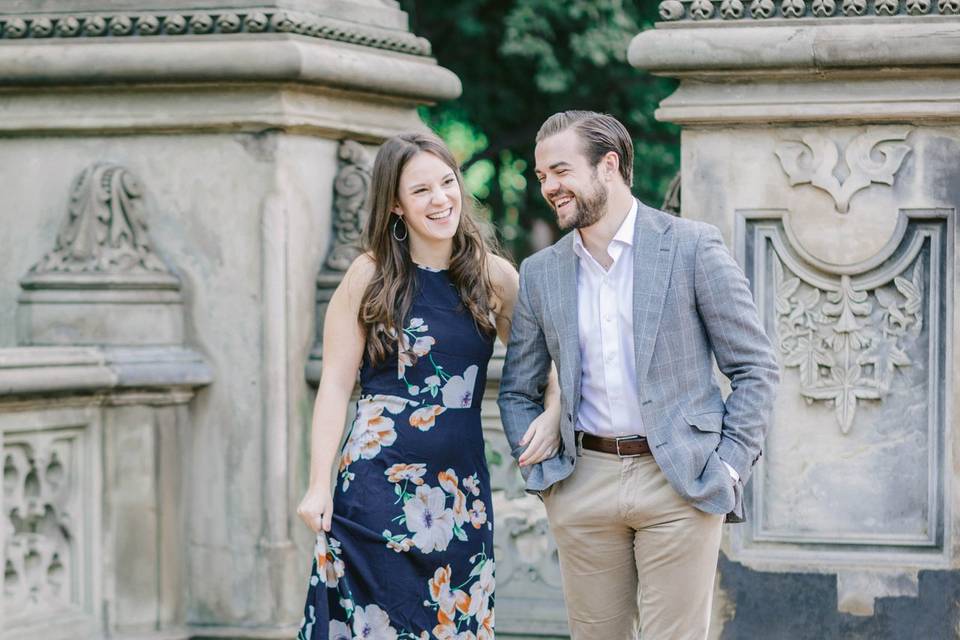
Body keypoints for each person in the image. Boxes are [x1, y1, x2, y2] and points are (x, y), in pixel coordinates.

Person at [498, 111, 779, 640]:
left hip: (680, 480)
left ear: (609, 165)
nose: (549, 187)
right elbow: (517, 388)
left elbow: (755, 367)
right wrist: (546, 481)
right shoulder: (541, 272)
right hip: (583, 482)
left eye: (559, 171)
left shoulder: (692, 246)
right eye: (541, 178)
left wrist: (729, 468)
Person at [295, 132, 560, 640]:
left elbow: (545, 368)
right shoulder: (368, 275)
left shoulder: (495, 277)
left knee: (453, 625)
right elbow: (333, 385)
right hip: (373, 492)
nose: (441, 199)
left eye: (447, 183)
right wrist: (317, 483)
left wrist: (551, 414)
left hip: (459, 499)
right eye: (421, 191)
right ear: (395, 205)